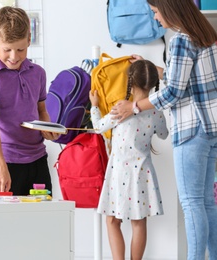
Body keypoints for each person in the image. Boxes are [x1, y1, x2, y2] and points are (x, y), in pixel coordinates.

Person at [111, 0, 217, 259]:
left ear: (169, 9)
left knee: (192, 203)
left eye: (156, 12)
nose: (156, 19)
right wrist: (154, 68)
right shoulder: (207, 37)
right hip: (211, 129)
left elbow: (172, 92)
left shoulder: (180, 40)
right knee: (206, 202)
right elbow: (187, 78)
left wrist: (134, 107)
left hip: (191, 130)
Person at [89, 60, 169, 260]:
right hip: (142, 174)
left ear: (129, 82)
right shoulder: (156, 113)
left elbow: (98, 128)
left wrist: (94, 106)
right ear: (153, 85)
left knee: (112, 221)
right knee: (139, 222)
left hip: (119, 173)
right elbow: (164, 134)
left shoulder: (120, 108)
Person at [0, 6, 59, 195]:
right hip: (5, 161)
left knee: (41, 222)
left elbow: (41, 111)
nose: (14, 57)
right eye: (8, 50)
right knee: (2, 223)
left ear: (29, 40)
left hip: (37, 161)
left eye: (21, 49)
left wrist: (48, 128)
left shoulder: (38, 73)